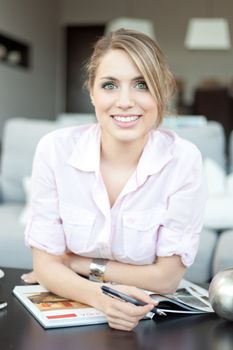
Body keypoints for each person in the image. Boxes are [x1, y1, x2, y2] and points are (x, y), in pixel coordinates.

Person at [22, 29, 207, 331]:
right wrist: (103, 298)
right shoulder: (54, 150)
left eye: (142, 85)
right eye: (110, 85)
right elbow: (44, 267)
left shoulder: (183, 160)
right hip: (79, 306)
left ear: (162, 91)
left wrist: (71, 262)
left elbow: (166, 278)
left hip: (148, 321)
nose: (125, 101)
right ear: (92, 92)